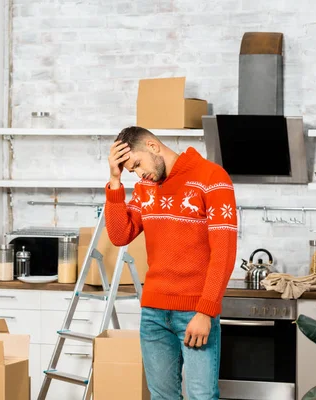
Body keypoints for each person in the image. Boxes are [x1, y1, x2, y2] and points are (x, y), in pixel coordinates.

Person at [104, 126, 237, 400]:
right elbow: (120, 235)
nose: (140, 175)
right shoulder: (145, 188)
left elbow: (223, 253)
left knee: (202, 396)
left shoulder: (212, 178)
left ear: (153, 146)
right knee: (162, 397)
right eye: (132, 171)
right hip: (153, 314)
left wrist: (205, 311)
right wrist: (115, 181)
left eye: (138, 165)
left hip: (195, 312)